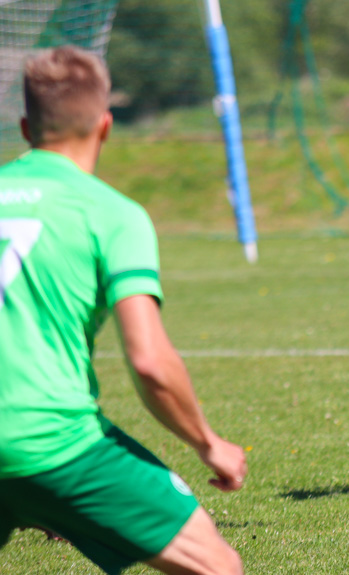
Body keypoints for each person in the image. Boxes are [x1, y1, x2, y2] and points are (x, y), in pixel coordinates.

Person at [0, 46, 247, 574]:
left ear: (24, 125)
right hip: (56, 445)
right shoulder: (112, 214)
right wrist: (209, 444)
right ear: (106, 127)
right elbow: (150, 363)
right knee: (219, 568)